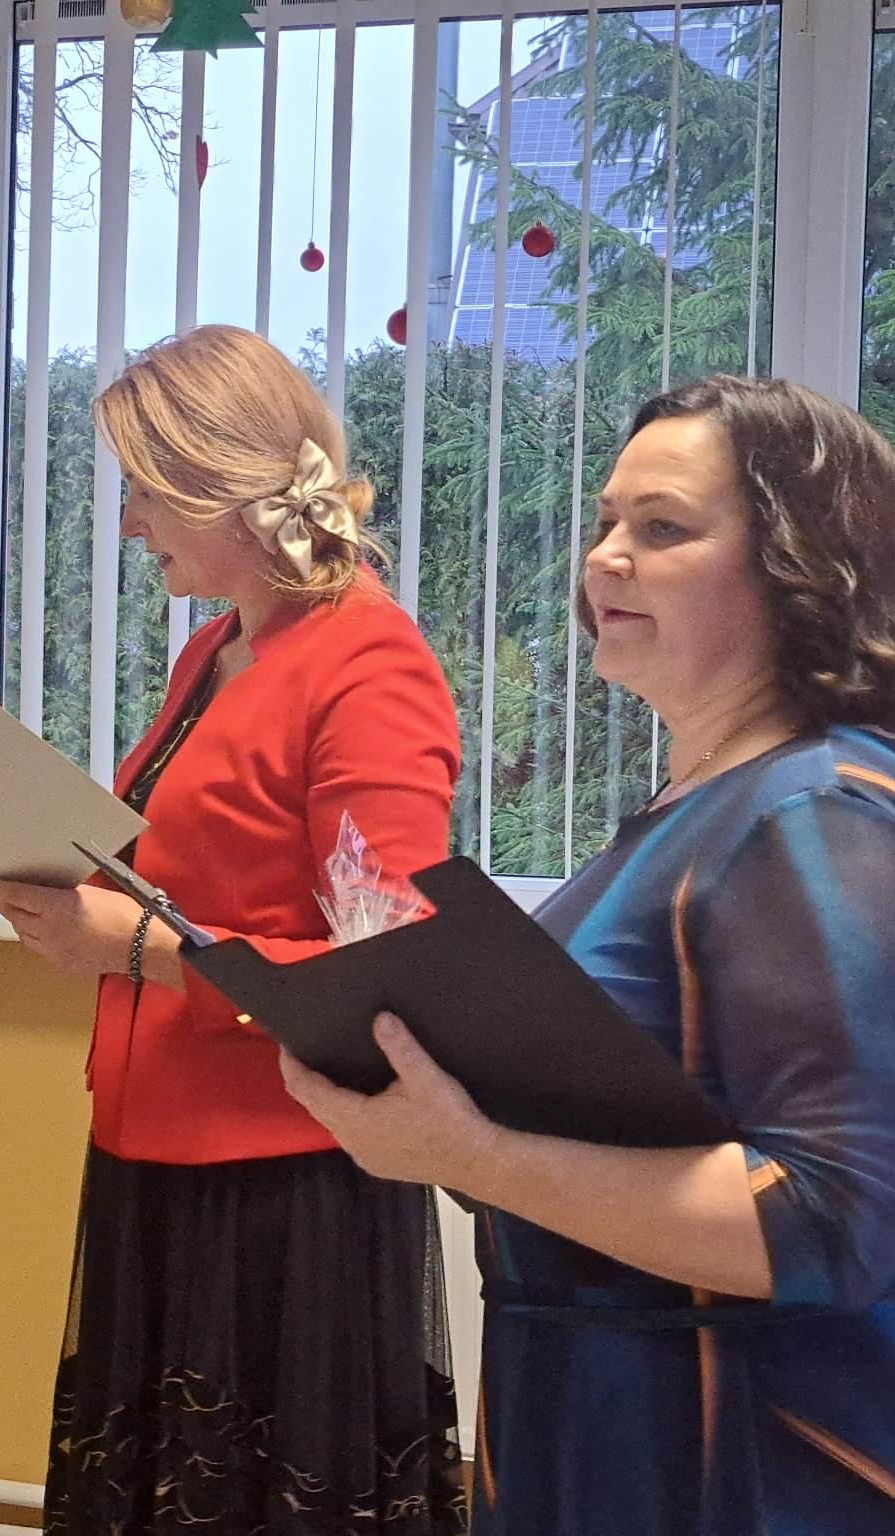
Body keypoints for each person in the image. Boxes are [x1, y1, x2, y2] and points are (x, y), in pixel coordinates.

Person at [283, 375, 895, 1535]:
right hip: (603, 1416)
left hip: (736, 1466)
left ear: (798, 566)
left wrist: (471, 1152)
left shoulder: (810, 809)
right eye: (606, 521)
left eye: (661, 528)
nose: (604, 557)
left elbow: (831, 1222)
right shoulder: (699, 803)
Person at [0, 325, 468, 1532]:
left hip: (282, 1185)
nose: (127, 524)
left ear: (226, 487)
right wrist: (14, 860)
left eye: (142, 493)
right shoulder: (221, 647)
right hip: (156, 1148)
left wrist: (130, 948)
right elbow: (185, 873)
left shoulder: (367, 664)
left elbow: (388, 980)